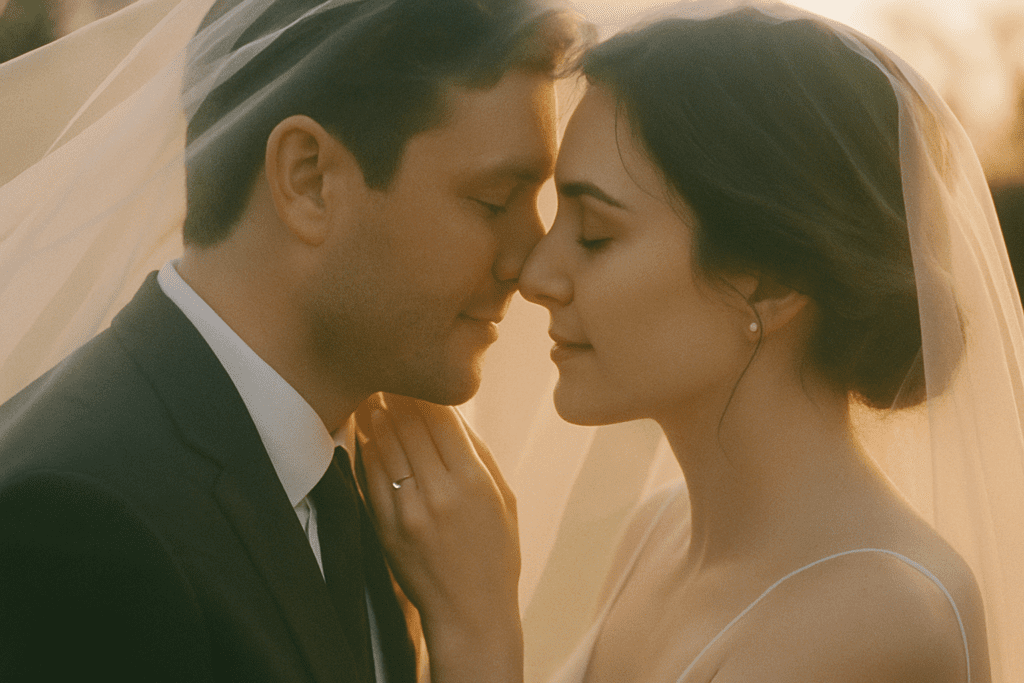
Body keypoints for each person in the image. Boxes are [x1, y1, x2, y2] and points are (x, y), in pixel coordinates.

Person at [355, 3, 1024, 683]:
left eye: (595, 235)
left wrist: (475, 633)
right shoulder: (659, 531)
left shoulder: (881, 617)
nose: (536, 275)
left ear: (769, 280)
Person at [0, 0, 582, 680]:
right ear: (308, 179)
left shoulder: (388, 497)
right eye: (494, 200)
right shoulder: (79, 526)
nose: (532, 262)